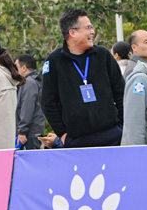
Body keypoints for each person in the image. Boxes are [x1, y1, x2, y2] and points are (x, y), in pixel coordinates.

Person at [41, 8, 125, 148]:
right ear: (72, 32)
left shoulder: (103, 55)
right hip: (76, 141)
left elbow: (121, 93)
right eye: (88, 28)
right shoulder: (54, 61)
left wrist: (121, 126)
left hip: (112, 136)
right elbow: (48, 102)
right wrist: (63, 135)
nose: (93, 32)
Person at [14, 53, 45, 150]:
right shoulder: (36, 81)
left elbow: (27, 107)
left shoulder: (29, 83)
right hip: (35, 131)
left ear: (24, 68)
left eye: (16, 67)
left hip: (28, 134)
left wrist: (22, 131)